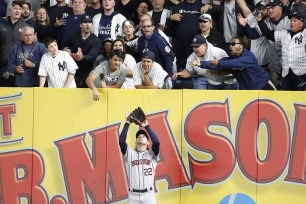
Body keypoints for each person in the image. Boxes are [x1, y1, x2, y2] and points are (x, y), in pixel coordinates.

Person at [194, 36, 276, 90]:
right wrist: (202, 64)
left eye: (233, 44)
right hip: (249, 91)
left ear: (241, 46)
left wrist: (219, 63)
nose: (230, 46)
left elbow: (231, 63)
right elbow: (219, 65)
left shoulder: (248, 56)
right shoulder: (231, 59)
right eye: (229, 44)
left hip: (264, 86)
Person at [119, 109, 160, 204]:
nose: (141, 136)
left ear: (148, 142)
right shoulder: (129, 154)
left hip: (149, 195)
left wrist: (146, 126)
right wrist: (127, 122)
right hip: (133, 196)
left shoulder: (152, 154)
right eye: (138, 136)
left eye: (144, 136)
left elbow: (157, 142)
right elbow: (121, 141)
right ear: (136, 141)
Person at [257, 11, 306, 91]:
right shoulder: (284, 34)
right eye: (291, 21)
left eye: (295, 21)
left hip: (301, 74)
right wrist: (259, 20)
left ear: (301, 24)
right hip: (286, 74)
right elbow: (268, 34)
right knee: (285, 99)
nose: (292, 23)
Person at [63, 15, 101, 87]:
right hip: (72, 71)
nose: (87, 25)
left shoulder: (96, 40)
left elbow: (92, 56)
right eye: (85, 22)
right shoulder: (72, 36)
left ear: (92, 25)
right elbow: (64, 48)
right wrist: (65, 52)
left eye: (89, 22)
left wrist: (82, 57)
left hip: (88, 72)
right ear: (80, 25)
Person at [165, 0, 204, 71]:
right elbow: (170, 31)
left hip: (197, 46)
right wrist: (170, 19)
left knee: (196, 70)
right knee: (180, 72)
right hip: (180, 47)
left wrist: (210, 5)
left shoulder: (202, 6)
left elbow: (209, 26)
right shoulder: (177, 7)